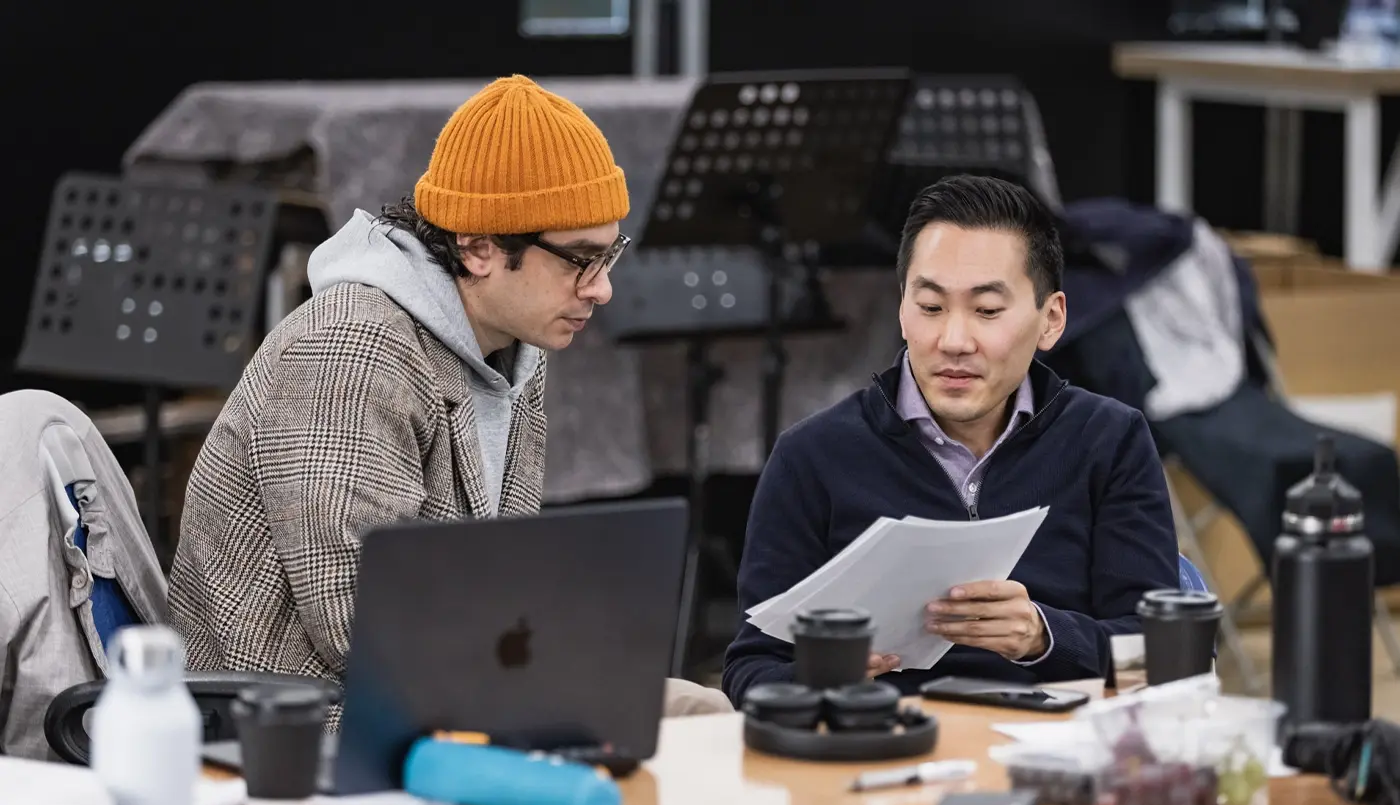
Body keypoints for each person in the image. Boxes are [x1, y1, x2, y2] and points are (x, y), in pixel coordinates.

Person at [168, 75, 731, 717]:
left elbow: (497, 574)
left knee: (703, 715)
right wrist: (558, 677)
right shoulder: (352, 353)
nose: (600, 289)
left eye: (609, 255)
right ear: (479, 247)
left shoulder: (516, 344)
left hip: (446, 679)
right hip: (311, 721)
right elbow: (359, 620)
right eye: (580, 260)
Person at [722, 173, 1180, 705]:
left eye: (987, 311)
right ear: (901, 309)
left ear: (1051, 319)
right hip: (877, 750)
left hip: (1057, 750)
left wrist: (1043, 635)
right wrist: (815, 679)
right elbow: (750, 669)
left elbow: (1164, 660)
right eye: (931, 307)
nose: (953, 341)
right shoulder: (812, 457)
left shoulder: (1110, 441)